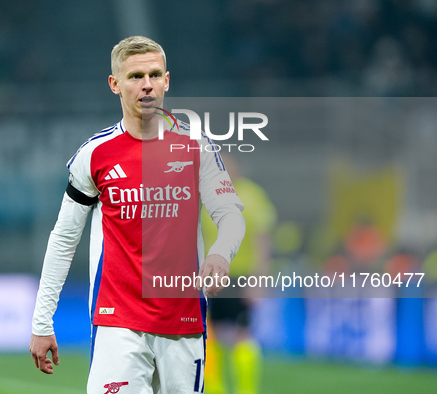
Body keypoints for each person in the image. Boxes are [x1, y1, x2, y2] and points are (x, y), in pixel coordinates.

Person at [29, 36, 245, 394]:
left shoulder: (197, 148)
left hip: (183, 318)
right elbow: (65, 236)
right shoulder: (95, 155)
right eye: (135, 76)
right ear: (115, 84)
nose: (147, 84)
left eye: (155, 74)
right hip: (118, 320)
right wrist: (41, 320)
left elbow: (230, 214)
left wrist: (221, 254)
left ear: (167, 80)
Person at [201, 156, 276, 394]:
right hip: (209, 275)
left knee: (242, 334)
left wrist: (259, 279)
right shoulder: (206, 196)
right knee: (207, 332)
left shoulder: (253, 197)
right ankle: (214, 388)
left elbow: (263, 241)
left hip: (240, 275)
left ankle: (246, 389)